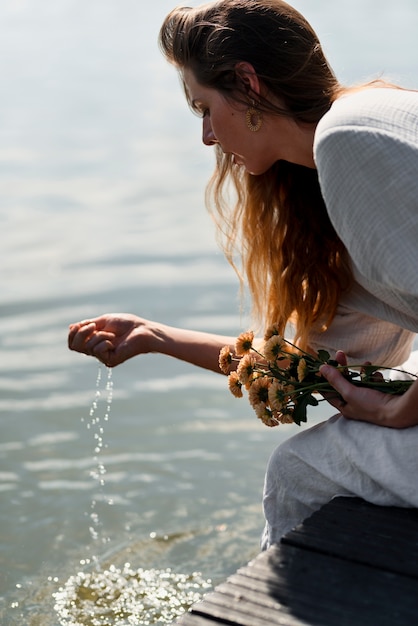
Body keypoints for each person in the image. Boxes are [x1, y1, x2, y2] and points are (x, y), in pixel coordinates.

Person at [68, 0, 418, 549]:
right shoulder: (370, 119)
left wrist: (401, 410)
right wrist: (158, 338)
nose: (207, 136)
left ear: (248, 85)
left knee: (298, 470)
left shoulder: (345, 142)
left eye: (204, 107)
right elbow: (314, 371)